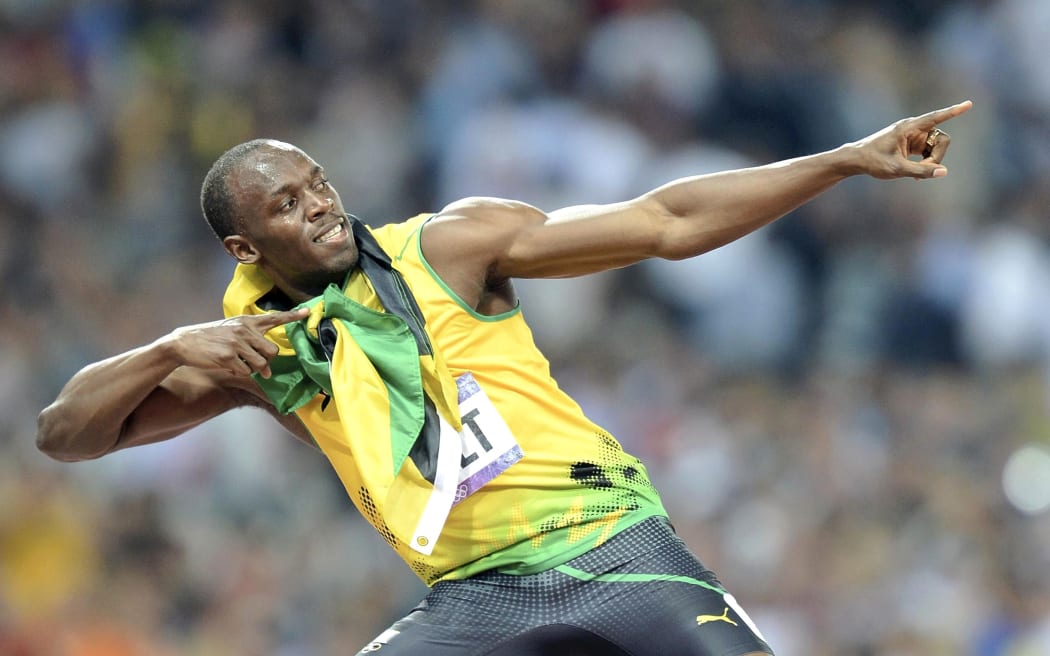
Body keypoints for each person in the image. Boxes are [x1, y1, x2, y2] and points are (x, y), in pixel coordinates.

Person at [37, 100, 973, 656]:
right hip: (477, 595)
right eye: (287, 204)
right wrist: (165, 351)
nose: (320, 204)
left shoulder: (450, 246)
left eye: (317, 181)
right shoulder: (259, 353)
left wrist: (847, 160)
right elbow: (65, 434)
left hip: (616, 549)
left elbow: (666, 221)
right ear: (246, 246)